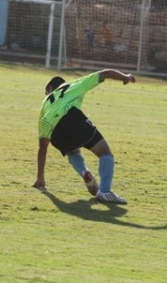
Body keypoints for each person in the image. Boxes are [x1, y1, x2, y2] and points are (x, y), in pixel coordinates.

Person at [32, 69, 135, 204]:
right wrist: (125, 77)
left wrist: (40, 177)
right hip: (71, 118)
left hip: (53, 131)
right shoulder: (74, 85)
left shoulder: (45, 103)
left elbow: (42, 147)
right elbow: (106, 73)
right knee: (105, 154)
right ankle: (105, 192)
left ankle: (83, 171)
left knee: (72, 151)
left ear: (50, 88)